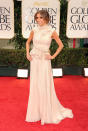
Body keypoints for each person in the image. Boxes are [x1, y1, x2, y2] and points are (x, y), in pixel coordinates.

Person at [25, 10, 73, 125]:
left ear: (46, 18)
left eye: (41, 18)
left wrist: (52, 56)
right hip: (35, 59)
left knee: (44, 85)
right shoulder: (34, 30)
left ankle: (46, 111)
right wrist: (27, 53)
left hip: (44, 61)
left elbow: (61, 45)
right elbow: (27, 43)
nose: (38, 20)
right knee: (35, 85)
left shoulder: (52, 31)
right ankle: (36, 112)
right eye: (37, 18)